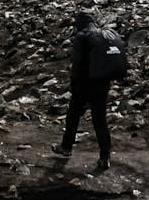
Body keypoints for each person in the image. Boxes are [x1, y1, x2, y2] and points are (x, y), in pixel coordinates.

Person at [51, 11, 119, 172]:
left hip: (84, 85)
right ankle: (105, 157)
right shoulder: (105, 35)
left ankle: (66, 147)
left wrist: (74, 85)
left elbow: (78, 65)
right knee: (100, 121)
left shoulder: (82, 37)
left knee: (73, 116)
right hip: (102, 85)